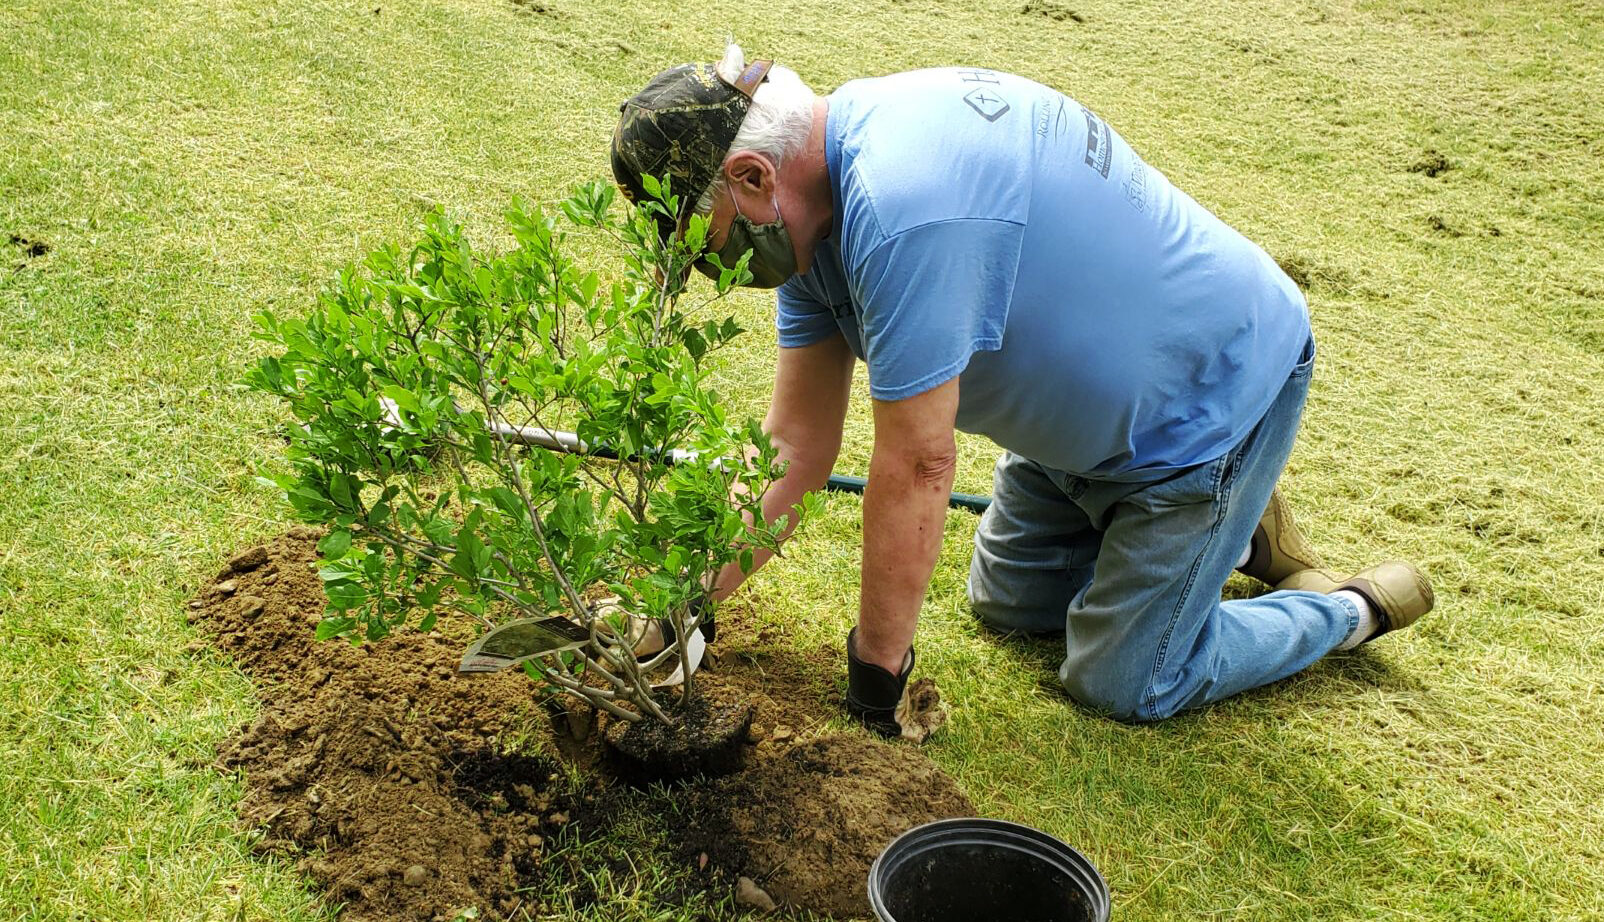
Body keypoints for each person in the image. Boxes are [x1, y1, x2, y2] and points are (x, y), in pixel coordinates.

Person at [608, 45, 1434, 736]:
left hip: (1206, 407)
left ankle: (1346, 609)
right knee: (1010, 608)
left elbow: (921, 466)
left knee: (1122, 680)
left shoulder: (906, 207)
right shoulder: (808, 219)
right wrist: (677, 604)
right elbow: (795, 446)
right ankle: (1236, 534)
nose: (695, 263)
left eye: (692, 233)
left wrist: (875, 681)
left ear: (752, 178)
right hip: (1075, 438)